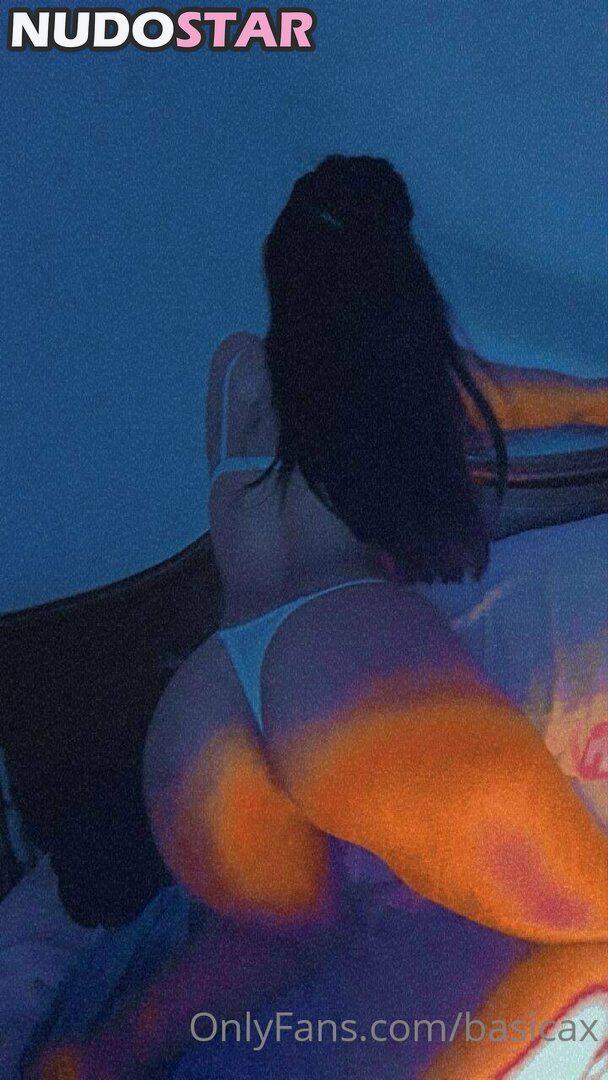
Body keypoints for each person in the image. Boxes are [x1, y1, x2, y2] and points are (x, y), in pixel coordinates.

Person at [27, 155, 608, 1079]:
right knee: (594, 925)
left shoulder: (236, 368)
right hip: (334, 672)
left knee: (275, 940)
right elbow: (549, 399)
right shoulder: (402, 379)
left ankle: (85, 1062)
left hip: (205, 705)